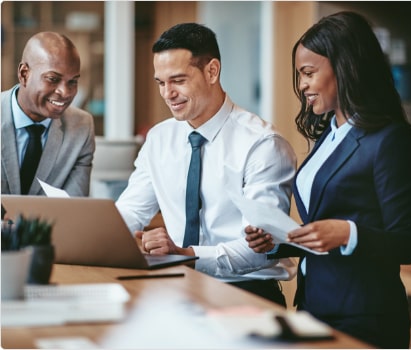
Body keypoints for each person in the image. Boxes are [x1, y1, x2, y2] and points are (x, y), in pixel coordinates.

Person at [245, 11, 411, 348]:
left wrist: (347, 233)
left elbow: (409, 242)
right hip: (313, 308)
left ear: (345, 68)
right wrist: (279, 241)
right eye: (299, 75)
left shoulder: (390, 139)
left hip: (365, 318)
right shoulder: (331, 133)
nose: (303, 86)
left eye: (309, 73)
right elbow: (324, 225)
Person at [116, 23, 297, 306]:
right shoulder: (159, 138)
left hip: (246, 295)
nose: (167, 93)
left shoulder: (262, 144)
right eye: (161, 83)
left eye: (178, 80)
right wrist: (97, 236)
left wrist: (184, 254)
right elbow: (130, 211)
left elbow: (259, 250)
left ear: (212, 71)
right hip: (175, 289)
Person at [1, 31, 95, 197]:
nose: (65, 92)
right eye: (53, 79)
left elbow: (74, 206)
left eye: (72, 81)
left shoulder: (81, 127)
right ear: (24, 74)